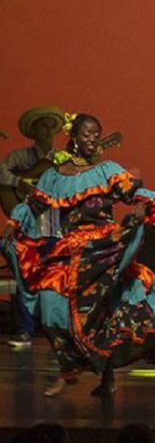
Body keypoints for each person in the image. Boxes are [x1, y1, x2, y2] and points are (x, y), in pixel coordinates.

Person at [0, 113, 155, 397]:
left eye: (97, 134)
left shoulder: (107, 170)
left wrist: (141, 208)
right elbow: (33, 205)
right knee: (52, 310)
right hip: (69, 251)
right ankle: (68, 369)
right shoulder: (56, 176)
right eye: (87, 134)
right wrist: (13, 225)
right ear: (73, 137)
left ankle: (104, 377)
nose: (93, 139)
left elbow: (135, 193)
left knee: (110, 314)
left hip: (104, 250)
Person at [0, 107, 65, 347]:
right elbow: (1, 171)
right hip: (26, 229)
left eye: (51, 126)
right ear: (33, 131)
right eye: (43, 126)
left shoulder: (62, 159)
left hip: (52, 227)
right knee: (21, 268)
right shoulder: (21, 157)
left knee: (56, 274)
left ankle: (55, 330)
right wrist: (19, 182)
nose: (47, 130)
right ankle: (25, 329)